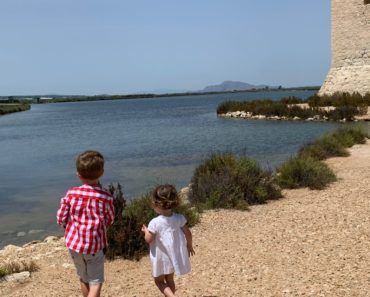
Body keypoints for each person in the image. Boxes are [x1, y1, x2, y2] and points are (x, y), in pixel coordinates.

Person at [57, 150, 115, 297]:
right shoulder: (105, 197)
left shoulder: (71, 194)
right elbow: (110, 219)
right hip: (95, 246)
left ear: (78, 174)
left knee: (83, 278)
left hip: (74, 246)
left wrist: (68, 227)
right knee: (96, 282)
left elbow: (61, 218)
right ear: (102, 173)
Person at [141, 184, 195, 297]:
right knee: (170, 280)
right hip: (173, 256)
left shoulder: (155, 222)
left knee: (159, 281)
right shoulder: (179, 218)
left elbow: (149, 239)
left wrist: (146, 231)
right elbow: (188, 233)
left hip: (161, 258)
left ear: (157, 204)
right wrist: (189, 246)